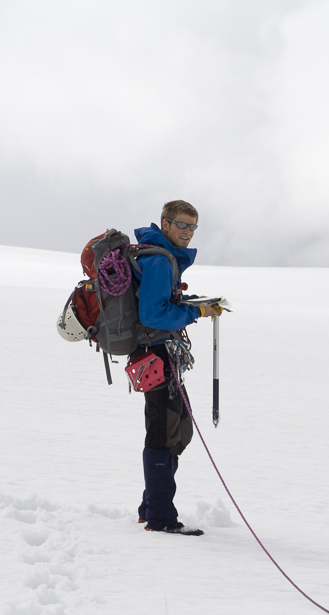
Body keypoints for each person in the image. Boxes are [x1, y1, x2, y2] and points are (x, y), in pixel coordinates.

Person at [132, 199, 223, 536]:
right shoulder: (158, 260)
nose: (187, 232)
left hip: (156, 352)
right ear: (165, 224)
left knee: (177, 428)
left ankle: (150, 507)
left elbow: (158, 304)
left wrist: (193, 304)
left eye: (192, 227)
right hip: (155, 353)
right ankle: (160, 517)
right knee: (164, 430)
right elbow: (151, 315)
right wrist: (196, 313)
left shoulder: (160, 256)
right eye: (181, 225)